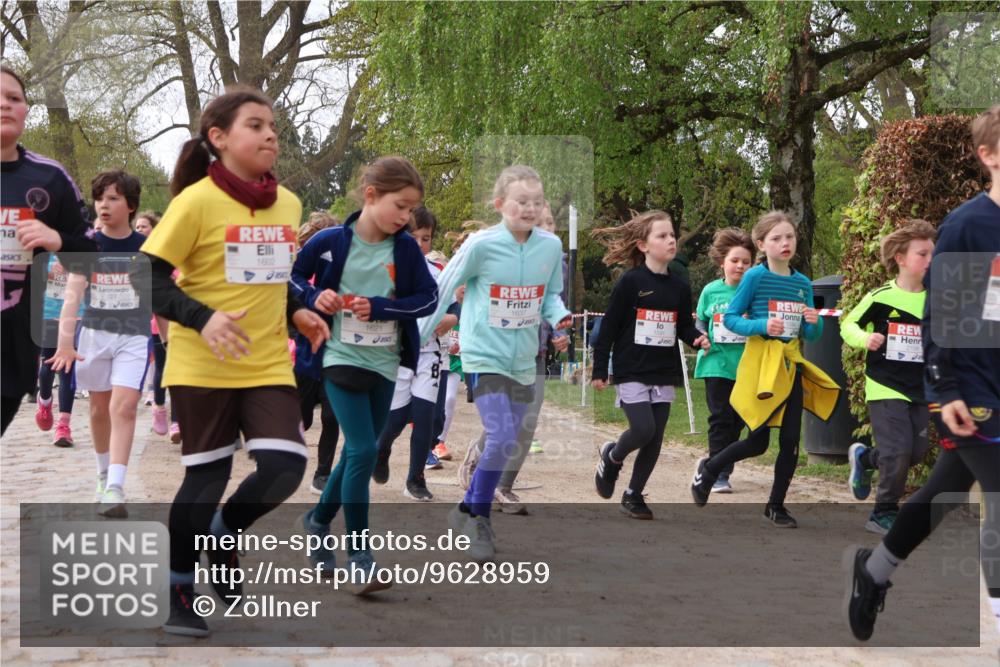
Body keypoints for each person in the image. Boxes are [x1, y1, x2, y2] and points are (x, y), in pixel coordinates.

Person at [138, 86, 330, 637]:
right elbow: (146, 277)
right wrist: (203, 318)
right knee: (207, 477)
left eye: (273, 125)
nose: (270, 133)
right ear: (219, 139)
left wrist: (298, 310)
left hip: (267, 362)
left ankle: (224, 536)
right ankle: (178, 585)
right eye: (255, 125)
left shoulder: (289, 204)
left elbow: (271, 278)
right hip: (202, 363)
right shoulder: (194, 202)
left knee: (285, 466)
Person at [846, 105, 1000, 642]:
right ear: (988, 156)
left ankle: (874, 570)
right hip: (971, 386)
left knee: (944, 493)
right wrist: (948, 388)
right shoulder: (969, 225)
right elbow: (939, 318)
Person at [291, 156, 437, 589]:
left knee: (362, 452)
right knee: (360, 449)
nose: (407, 218)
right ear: (371, 195)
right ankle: (360, 557)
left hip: (386, 362)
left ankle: (317, 523)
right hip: (337, 358)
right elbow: (293, 278)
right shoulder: (331, 241)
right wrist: (317, 296)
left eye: (412, 210)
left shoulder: (406, 250)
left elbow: (427, 298)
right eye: (401, 206)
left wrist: (383, 307)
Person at [420, 165, 571, 561]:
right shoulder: (481, 246)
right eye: (522, 201)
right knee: (502, 436)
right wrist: (416, 338)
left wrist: (559, 315)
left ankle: (466, 507)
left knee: (509, 441)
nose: (531, 208)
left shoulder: (550, 247)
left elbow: (551, 294)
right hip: (482, 353)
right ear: (500, 204)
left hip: (523, 358)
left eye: (537, 202)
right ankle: (479, 521)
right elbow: (441, 289)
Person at [690, 210, 839, 528]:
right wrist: (762, 325)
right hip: (761, 366)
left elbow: (809, 334)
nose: (785, 243)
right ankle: (711, 468)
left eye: (790, 237)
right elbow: (730, 317)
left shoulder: (801, 283)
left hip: (791, 365)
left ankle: (776, 505)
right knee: (758, 443)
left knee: (790, 440)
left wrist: (816, 323)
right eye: (776, 238)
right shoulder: (755, 277)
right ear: (761, 244)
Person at [591, 210, 710, 519]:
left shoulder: (679, 286)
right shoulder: (631, 282)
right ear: (643, 245)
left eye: (672, 235)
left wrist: (696, 337)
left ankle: (633, 495)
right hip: (631, 367)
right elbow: (610, 327)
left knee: (655, 437)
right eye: (662, 236)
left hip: (663, 369)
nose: (671, 240)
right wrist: (600, 368)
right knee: (643, 429)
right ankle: (613, 456)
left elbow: (682, 325)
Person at [49, 170, 150, 518]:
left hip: (134, 336)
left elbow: (161, 297)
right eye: (100, 198)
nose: (104, 205)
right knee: (98, 408)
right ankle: (103, 473)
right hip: (94, 335)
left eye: (113, 198)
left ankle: (117, 486)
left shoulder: (146, 249)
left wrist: (169, 340)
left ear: (131, 205)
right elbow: (72, 296)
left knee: (123, 407)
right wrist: (64, 343)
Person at [1, 65, 95, 434]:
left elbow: (90, 255)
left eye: (14, 98)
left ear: (26, 110)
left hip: (11, 348)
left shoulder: (49, 178)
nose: (6, 105)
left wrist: (57, 239)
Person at [462, 203, 569, 514]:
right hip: (493, 353)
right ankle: (479, 467)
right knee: (501, 426)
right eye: (541, 222)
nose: (546, 228)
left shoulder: (556, 261)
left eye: (551, 223)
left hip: (532, 353)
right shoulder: (499, 253)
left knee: (525, 424)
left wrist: (556, 335)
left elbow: (552, 302)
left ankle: (503, 487)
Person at [841, 220, 936, 534]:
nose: (930, 261)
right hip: (885, 384)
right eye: (923, 254)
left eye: (933, 254)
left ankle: (866, 459)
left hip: (920, 387)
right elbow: (848, 324)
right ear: (901, 259)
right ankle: (882, 513)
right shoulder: (880, 297)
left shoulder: (937, 300)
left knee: (915, 453)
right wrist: (864, 339)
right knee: (897, 452)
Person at [371, 206, 458, 500]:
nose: (420, 245)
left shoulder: (438, 273)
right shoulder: (386, 270)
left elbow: (454, 308)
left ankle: (415, 479)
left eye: (426, 238)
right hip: (396, 356)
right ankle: (381, 451)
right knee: (394, 421)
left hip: (430, 354)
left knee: (426, 415)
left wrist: (450, 318)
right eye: (414, 237)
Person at [693, 228, 754, 493]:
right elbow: (700, 320)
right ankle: (719, 474)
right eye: (735, 261)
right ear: (722, 263)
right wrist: (701, 335)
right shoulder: (710, 291)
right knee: (720, 418)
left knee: (738, 420)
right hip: (715, 362)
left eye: (746, 262)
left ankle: (711, 463)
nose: (740, 266)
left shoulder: (755, 291)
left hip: (746, 365)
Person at [292, 211, 341, 494]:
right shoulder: (297, 273)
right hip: (306, 350)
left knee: (332, 416)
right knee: (303, 416)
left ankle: (323, 473)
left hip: (336, 348)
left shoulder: (341, 264)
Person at [35, 253, 84, 447]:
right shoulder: (43, 255)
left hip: (75, 317)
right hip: (48, 316)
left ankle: (63, 426)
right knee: (47, 367)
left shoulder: (80, 253)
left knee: (67, 369)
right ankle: (45, 401)